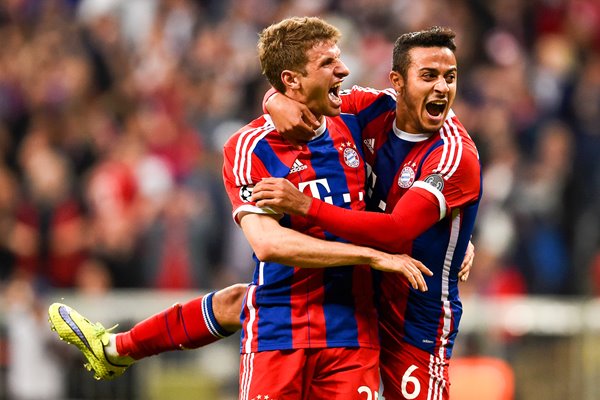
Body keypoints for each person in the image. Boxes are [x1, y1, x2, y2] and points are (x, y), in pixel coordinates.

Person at [48, 17, 433, 399]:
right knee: (239, 299)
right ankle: (116, 350)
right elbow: (269, 244)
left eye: (340, 59)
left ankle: (116, 350)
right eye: (328, 63)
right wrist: (371, 256)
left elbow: (432, 133)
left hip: (353, 333)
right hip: (279, 332)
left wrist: (451, 225)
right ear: (291, 80)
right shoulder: (249, 147)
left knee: (236, 300)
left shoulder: (358, 113)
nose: (344, 69)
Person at [253, 26, 482, 400]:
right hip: (358, 308)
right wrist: (274, 100)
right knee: (238, 300)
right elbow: (308, 90)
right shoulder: (368, 107)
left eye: (450, 77)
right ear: (397, 82)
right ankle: (124, 348)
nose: (442, 88)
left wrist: (305, 205)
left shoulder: (455, 155)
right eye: (429, 76)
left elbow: (397, 230)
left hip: (416, 326)